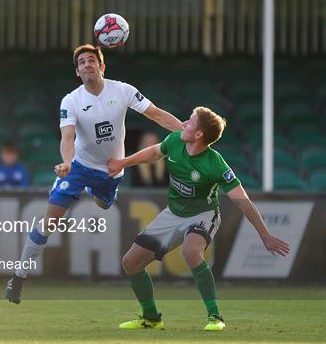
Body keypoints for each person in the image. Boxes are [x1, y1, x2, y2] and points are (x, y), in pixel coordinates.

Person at [5, 44, 183, 303]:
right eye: (82, 62)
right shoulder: (71, 100)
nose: (87, 64)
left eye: (92, 60)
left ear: (102, 66)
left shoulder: (122, 90)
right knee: (50, 219)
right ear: (77, 71)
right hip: (78, 166)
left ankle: (95, 192)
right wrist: (66, 163)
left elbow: (155, 114)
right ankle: (19, 277)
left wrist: (184, 131)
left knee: (103, 204)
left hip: (111, 170)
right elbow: (68, 137)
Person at [107, 106, 290, 331]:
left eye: (191, 121)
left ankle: (215, 317)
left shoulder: (215, 163)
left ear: (199, 135)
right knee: (130, 263)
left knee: (191, 252)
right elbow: (154, 153)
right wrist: (122, 163)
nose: (184, 122)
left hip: (203, 214)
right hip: (173, 213)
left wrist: (265, 235)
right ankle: (151, 318)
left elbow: (242, 200)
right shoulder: (175, 140)